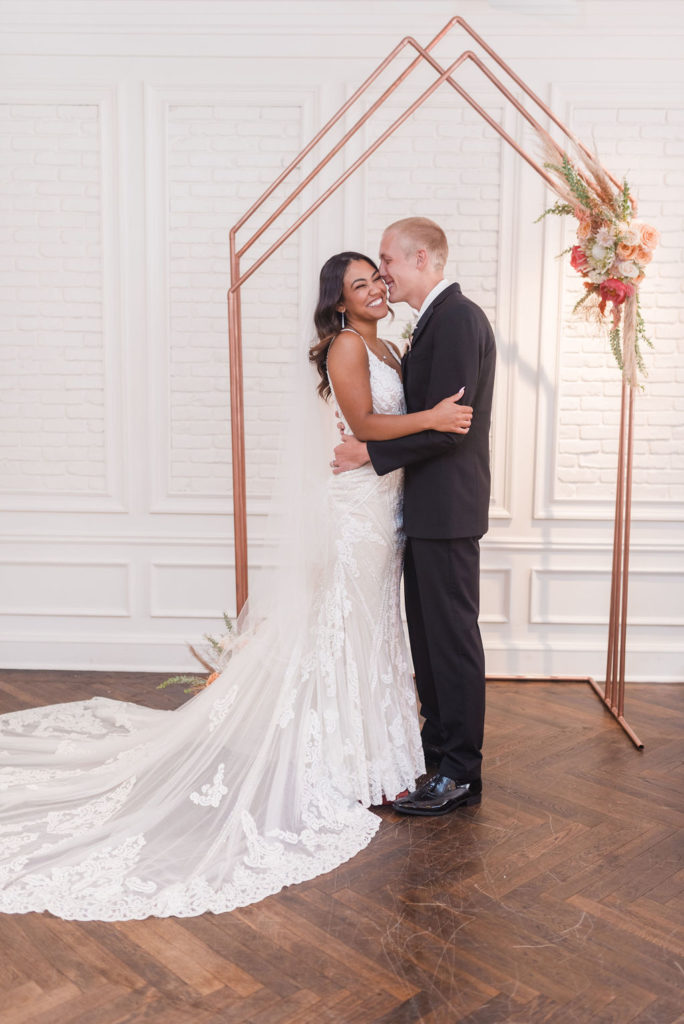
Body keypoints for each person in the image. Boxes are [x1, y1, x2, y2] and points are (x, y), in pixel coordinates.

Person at [0, 250, 472, 921]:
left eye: (376, 278)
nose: (373, 289)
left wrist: (403, 436)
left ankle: (375, 755)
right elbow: (364, 427)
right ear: (339, 301)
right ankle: (339, 761)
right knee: (344, 627)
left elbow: (373, 437)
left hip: (387, 510)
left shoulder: (391, 346)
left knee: (374, 631)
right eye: (358, 284)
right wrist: (428, 421)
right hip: (354, 517)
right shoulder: (343, 346)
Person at [332, 218, 496, 816]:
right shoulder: (429, 323)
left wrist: (370, 453)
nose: (382, 274)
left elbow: (450, 425)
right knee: (429, 642)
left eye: (387, 261)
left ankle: (459, 773)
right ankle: (438, 756)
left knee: (450, 643)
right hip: (425, 510)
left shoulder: (456, 317)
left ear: (420, 258)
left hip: (447, 509)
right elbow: (431, 418)